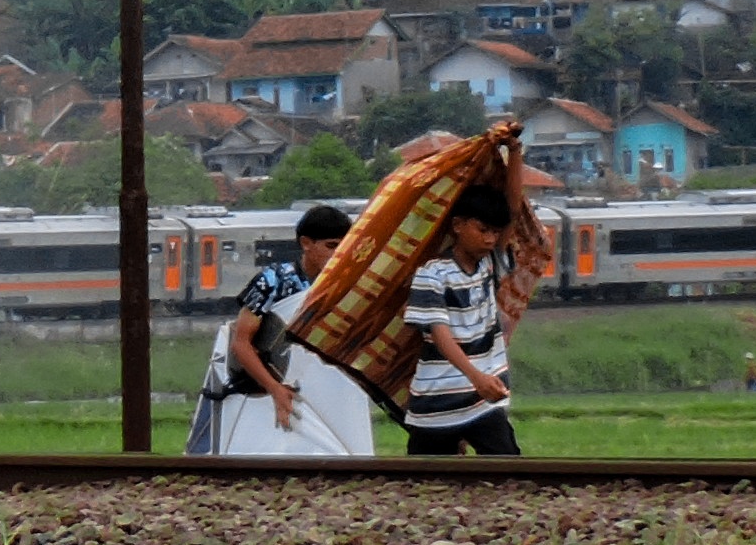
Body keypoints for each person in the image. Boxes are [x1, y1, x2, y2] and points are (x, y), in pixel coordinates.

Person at [199, 203, 373, 458]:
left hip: (331, 390)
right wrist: (275, 389)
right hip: (272, 387)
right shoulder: (273, 281)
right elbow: (241, 343)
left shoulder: (347, 283)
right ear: (306, 243)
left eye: (344, 247)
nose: (339, 255)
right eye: (331, 246)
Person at [398, 187, 525, 456]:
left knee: (509, 469)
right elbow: (439, 334)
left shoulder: (490, 264)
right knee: (424, 476)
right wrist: (476, 378)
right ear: (458, 225)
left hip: (483, 402)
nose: (490, 239)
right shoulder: (432, 274)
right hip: (436, 404)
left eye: (495, 232)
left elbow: (513, 209)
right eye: (482, 230)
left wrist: (514, 158)